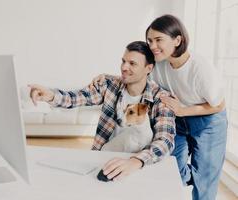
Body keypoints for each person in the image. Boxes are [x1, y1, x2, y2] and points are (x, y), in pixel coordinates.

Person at [91, 15, 227, 200]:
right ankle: (195, 177)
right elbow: (138, 75)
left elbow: (219, 104)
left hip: (208, 119)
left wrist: (184, 111)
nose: (152, 46)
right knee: (172, 168)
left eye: (158, 40)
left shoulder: (200, 68)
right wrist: (107, 77)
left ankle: (201, 180)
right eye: (150, 40)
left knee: (205, 180)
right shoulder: (159, 63)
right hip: (177, 119)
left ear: (177, 40)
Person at [29, 41, 176, 181]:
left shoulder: (161, 99)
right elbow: (78, 97)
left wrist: (136, 161)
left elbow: (165, 140)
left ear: (148, 68)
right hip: (103, 158)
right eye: (123, 61)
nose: (124, 67)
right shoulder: (108, 85)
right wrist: (51, 95)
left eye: (132, 63)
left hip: (138, 164)